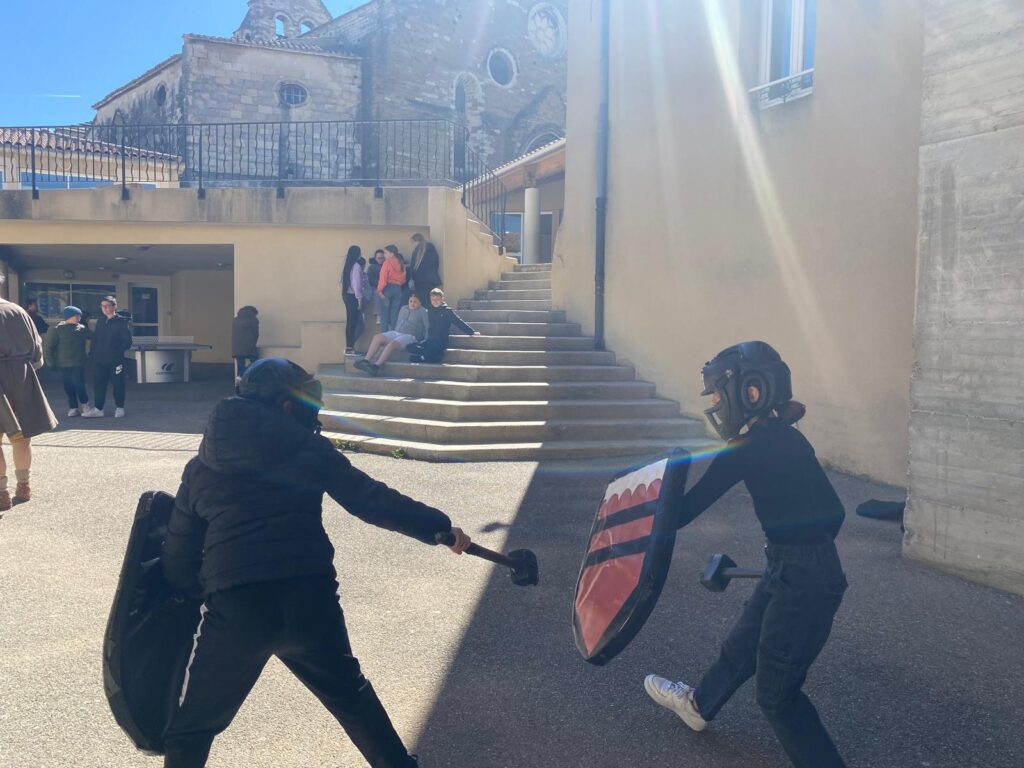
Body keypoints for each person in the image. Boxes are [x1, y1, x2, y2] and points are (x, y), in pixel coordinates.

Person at [159, 358, 472, 768]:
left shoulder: (202, 468)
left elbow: (179, 557)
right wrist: (439, 528)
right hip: (309, 599)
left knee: (191, 731)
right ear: (287, 406)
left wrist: (198, 591)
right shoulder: (310, 449)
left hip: (238, 606)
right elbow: (371, 500)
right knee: (350, 695)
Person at [643, 341, 848, 768]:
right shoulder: (790, 438)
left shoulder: (746, 447)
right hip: (801, 566)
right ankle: (698, 706)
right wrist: (800, 552)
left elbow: (681, 514)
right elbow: (835, 513)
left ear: (750, 391)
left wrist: (644, 499)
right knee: (743, 645)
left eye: (719, 395)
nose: (716, 405)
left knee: (777, 696)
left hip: (800, 579)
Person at [0, 285, 57, 513]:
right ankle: (23, 486)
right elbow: (37, 351)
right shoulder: (19, 311)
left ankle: (1, 493)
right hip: (21, 377)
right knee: (21, 438)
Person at [353, 294, 429, 376]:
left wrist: (425, 341)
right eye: (410, 301)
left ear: (420, 303)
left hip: (410, 336)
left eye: (415, 302)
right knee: (378, 337)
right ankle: (365, 361)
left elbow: (427, 327)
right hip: (396, 332)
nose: (412, 303)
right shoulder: (403, 308)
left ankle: (376, 366)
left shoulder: (423, 312)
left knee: (392, 344)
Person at [83, 295, 132, 419]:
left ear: (114, 307)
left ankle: (120, 408)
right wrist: (92, 353)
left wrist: (116, 352)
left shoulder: (121, 322)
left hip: (116, 361)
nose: (104, 308)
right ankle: (98, 409)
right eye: (102, 306)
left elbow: (127, 342)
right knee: (99, 384)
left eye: (107, 306)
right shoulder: (100, 321)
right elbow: (95, 338)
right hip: (99, 360)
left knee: (118, 384)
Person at [44, 306, 98, 417]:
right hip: (63, 364)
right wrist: (51, 363)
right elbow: (48, 348)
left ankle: (85, 405)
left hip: (79, 363)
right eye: (78, 315)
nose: (79, 318)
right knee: (68, 386)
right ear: (71, 316)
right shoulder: (56, 330)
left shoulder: (81, 328)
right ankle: (73, 407)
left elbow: (94, 336)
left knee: (79, 385)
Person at [406, 288, 479, 364]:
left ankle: (422, 358)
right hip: (430, 339)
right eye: (433, 299)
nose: (435, 301)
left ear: (442, 299)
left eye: (437, 299)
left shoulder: (447, 311)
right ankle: (434, 356)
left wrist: (472, 332)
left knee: (432, 348)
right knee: (409, 347)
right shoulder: (430, 310)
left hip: (441, 341)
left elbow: (459, 322)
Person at [341, 246, 366, 355]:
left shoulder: (347, 265)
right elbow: (356, 284)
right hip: (353, 296)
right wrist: (359, 299)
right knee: (353, 322)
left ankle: (349, 346)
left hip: (346, 295)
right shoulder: (356, 266)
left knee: (350, 322)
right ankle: (349, 347)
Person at [376, 245, 407, 334]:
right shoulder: (401, 263)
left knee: (385, 314)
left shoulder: (387, 263)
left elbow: (383, 278)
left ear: (392, 254)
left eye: (386, 253)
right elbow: (403, 280)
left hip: (388, 288)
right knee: (394, 314)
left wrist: (379, 291)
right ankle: (394, 335)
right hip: (398, 289)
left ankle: (384, 336)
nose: (384, 255)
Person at [408, 236, 442, 307]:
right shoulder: (432, 249)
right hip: (432, 280)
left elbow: (413, 267)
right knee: (432, 301)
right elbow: (436, 264)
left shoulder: (417, 251)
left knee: (423, 301)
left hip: (420, 281)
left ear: (415, 241)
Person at [231, 306, 259, 381]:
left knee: (240, 367)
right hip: (250, 346)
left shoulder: (235, 320)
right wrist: (253, 342)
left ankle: (239, 382)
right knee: (256, 365)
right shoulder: (253, 320)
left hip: (237, 347)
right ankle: (252, 380)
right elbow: (256, 333)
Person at [365, 249, 386, 330]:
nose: (381, 260)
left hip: (386, 287)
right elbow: (369, 279)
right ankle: (378, 315)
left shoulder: (388, 266)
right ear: (375, 258)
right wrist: (379, 283)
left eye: (382, 258)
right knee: (376, 293)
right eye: (379, 258)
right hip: (375, 287)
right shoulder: (372, 267)